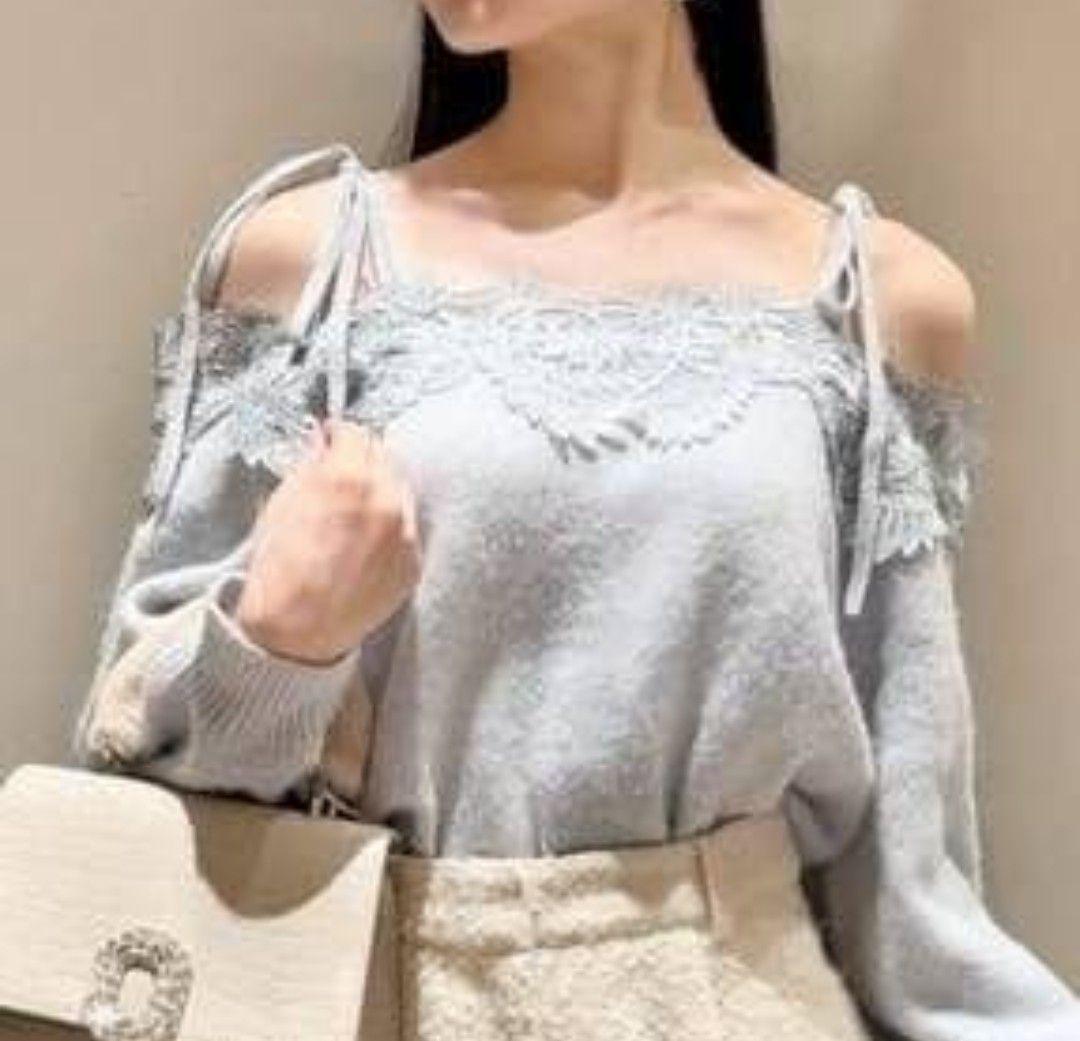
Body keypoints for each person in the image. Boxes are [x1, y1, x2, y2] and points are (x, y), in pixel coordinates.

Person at [71, 1, 1080, 1038]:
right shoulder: (313, 263)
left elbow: (908, 881)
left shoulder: (877, 297)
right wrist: (278, 647)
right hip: (375, 989)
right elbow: (134, 777)